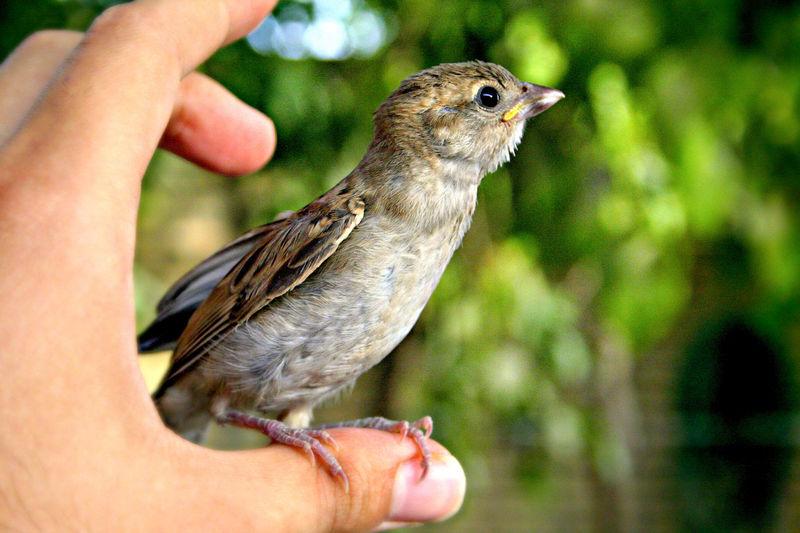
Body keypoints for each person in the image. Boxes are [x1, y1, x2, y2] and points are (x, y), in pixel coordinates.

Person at [0, 1, 465, 530]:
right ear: (436, 128)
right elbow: (230, 302)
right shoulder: (347, 216)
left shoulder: (441, 224)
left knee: (303, 427)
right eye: (489, 101)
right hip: (207, 387)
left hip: (280, 399)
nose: (521, 106)